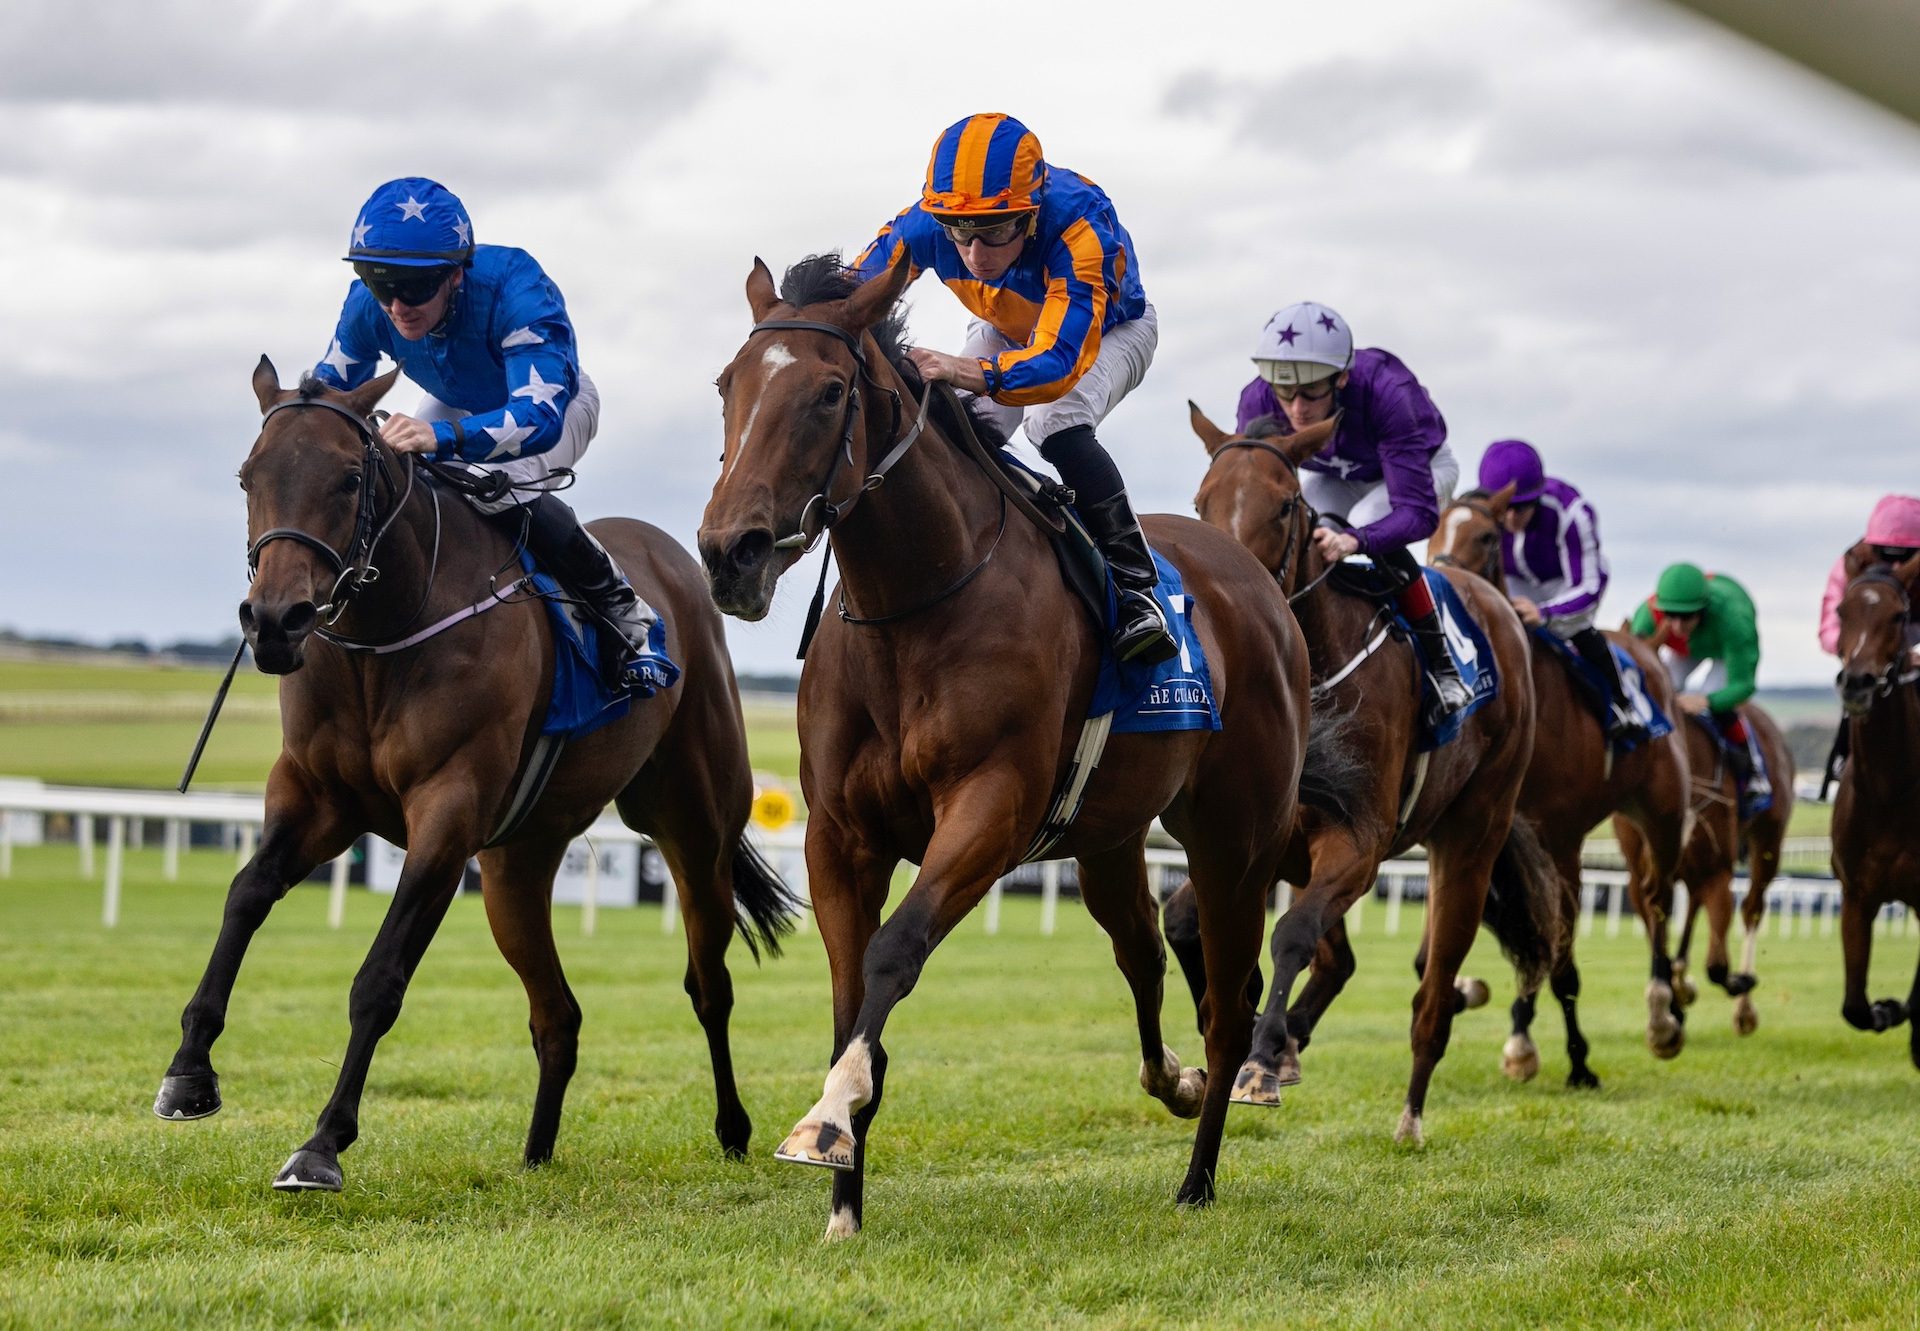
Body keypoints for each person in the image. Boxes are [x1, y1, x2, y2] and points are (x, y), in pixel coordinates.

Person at [312, 176, 670, 692]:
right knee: (400, 472)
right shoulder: (370, 305)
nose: (396, 305)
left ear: (456, 275)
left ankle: (625, 610)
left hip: (552, 403)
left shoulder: (517, 286)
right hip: (457, 398)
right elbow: (326, 395)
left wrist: (442, 437)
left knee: (496, 477)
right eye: (379, 281)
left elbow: (537, 417)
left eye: (414, 287)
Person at [850, 113, 1176, 665]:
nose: (975, 254)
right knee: (950, 423)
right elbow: (854, 293)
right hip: (1006, 326)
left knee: (1052, 422)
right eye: (960, 233)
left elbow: (1058, 364)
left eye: (996, 230)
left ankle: (1136, 588)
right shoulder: (927, 222)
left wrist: (968, 372)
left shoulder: (1078, 223)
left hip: (1108, 330)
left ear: (1030, 215)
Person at [1235, 301, 1471, 726]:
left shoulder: (1388, 393)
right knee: (1307, 530)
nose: (1297, 408)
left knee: (1363, 520)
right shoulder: (1257, 400)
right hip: (1337, 473)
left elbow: (1415, 514)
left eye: (1311, 393)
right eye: (1285, 391)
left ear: (1342, 378)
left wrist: (1356, 541)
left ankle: (1443, 668)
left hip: (1418, 469)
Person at [1477, 440, 1646, 743]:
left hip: (1565, 581)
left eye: (1523, 508)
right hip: (1515, 578)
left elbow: (1588, 586)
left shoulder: (1572, 514)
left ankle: (1622, 703)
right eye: (1507, 509)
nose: (1512, 519)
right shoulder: (1480, 510)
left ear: (1538, 498)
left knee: (1575, 631)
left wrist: (1546, 613)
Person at [1631, 563, 1762, 790]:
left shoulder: (1734, 619)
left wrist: (1706, 701)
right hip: (1685, 649)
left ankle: (1753, 772)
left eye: (1686, 616)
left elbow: (1744, 685)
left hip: (1723, 647)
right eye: (1670, 616)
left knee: (1711, 699)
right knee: (1663, 687)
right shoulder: (1647, 615)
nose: (1677, 626)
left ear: (1703, 609)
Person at [1818, 493, 1920, 656]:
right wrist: (1856, 648)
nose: (1897, 565)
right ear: (1872, 548)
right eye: (1887, 556)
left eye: (1908, 556)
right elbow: (1829, 628)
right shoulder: (1852, 564)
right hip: (1868, 656)